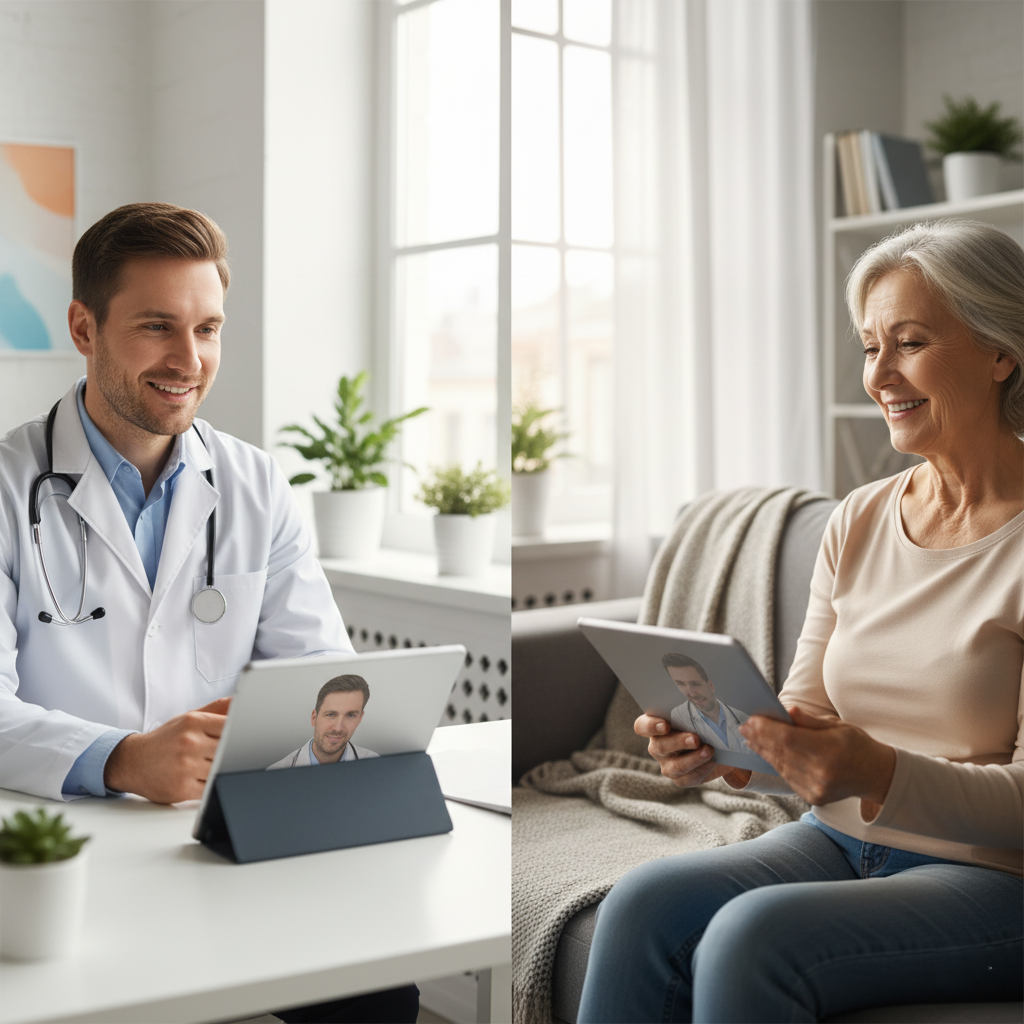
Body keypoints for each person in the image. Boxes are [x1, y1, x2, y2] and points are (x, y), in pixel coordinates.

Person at [577, 219, 1024, 1023]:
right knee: (641, 904)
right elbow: (800, 721)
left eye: (910, 342)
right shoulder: (859, 518)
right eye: (870, 347)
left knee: (751, 937)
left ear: (1001, 352)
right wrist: (724, 750)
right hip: (837, 839)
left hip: (995, 876)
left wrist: (877, 772)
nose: (880, 374)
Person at [0, 203, 418, 1024]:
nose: (189, 360)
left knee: (377, 995)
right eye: (157, 326)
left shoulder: (255, 483)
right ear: (84, 328)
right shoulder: (10, 488)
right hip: (60, 848)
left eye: (208, 328)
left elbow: (319, 673)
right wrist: (122, 760)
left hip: (223, 837)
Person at [268, 675, 379, 769]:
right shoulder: (276, 773)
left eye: (350, 715)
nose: (338, 728)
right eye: (331, 714)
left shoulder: (375, 766)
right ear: (314, 718)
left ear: (359, 719)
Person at [662, 653, 752, 755]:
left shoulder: (742, 717)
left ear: (711, 686)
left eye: (695, 684)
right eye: (680, 684)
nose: (691, 693)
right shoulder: (678, 716)